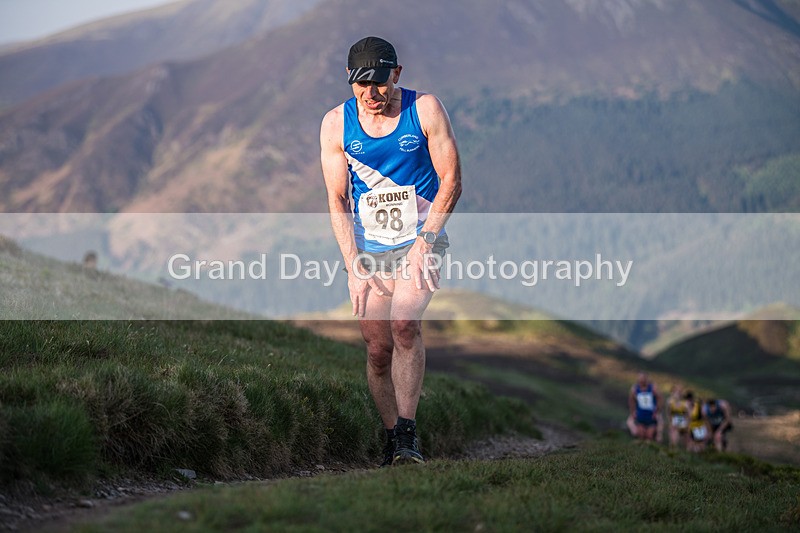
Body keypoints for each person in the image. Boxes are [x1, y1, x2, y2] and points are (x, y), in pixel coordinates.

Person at [320, 36, 462, 466]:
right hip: (369, 249)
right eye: (362, 85)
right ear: (349, 79)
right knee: (378, 348)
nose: (371, 94)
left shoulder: (425, 110)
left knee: (404, 324)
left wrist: (427, 242)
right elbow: (337, 200)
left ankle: (407, 435)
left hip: (422, 238)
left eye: (380, 83)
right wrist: (353, 267)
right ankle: (390, 439)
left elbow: (452, 180)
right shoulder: (335, 124)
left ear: (396, 75)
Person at [627, 372, 662, 442]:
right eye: (640, 379)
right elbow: (631, 401)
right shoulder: (635, 389)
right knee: (641, 435)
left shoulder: (652, 388)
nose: (641, 381)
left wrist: (657, 411)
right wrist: (633, 411)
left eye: (643, 379)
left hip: (651, 416)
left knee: (649, 436)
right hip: (640, 415)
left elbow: (660, 399)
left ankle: (657, 438)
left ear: (646, 379)